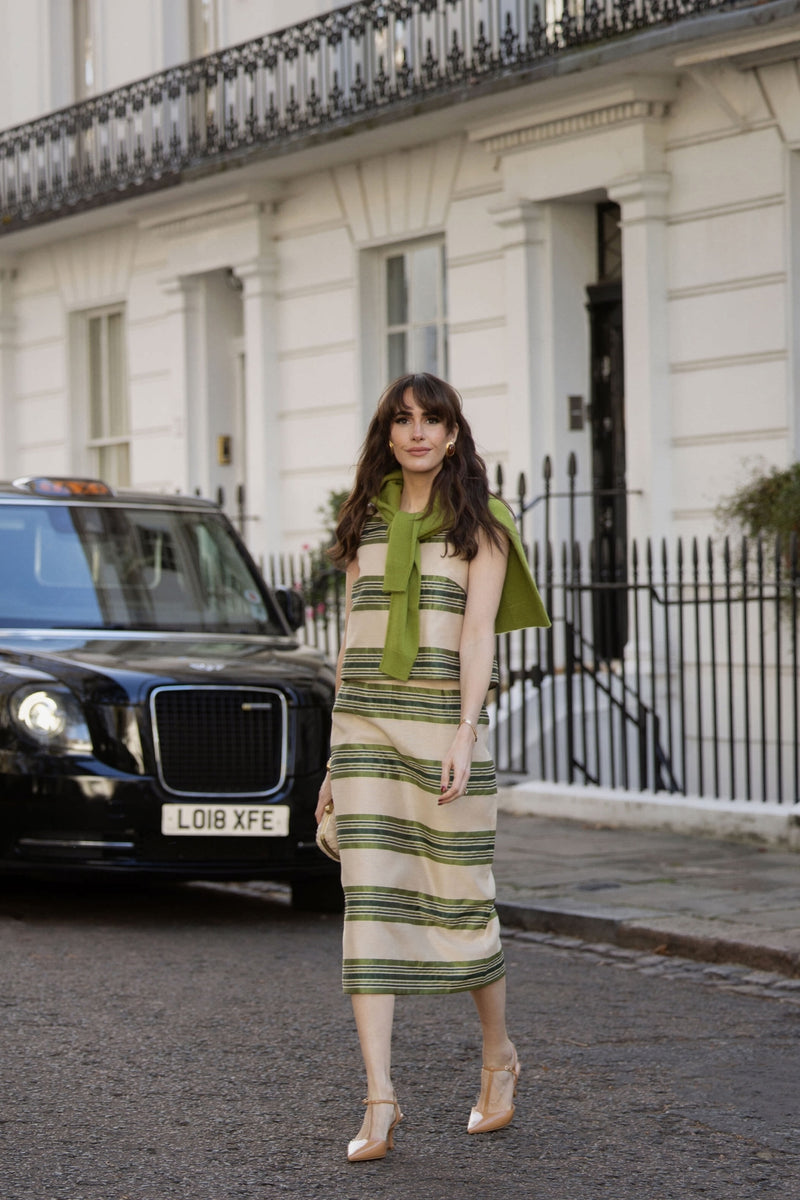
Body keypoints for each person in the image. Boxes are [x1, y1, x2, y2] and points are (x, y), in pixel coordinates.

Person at [315, 372, 549, 1163]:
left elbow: (478, 634)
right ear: (388, 434)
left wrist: (464, 732)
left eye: (432, 419)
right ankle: (380, 1097)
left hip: (442, 734)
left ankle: (499, 1055)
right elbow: (352, 637)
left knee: (463, 901)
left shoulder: (482, 522)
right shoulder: (363, 520)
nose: (417, 432)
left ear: (452, 435)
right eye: (403, 419)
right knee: (369, 903)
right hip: (366, 734)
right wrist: (332, 761)